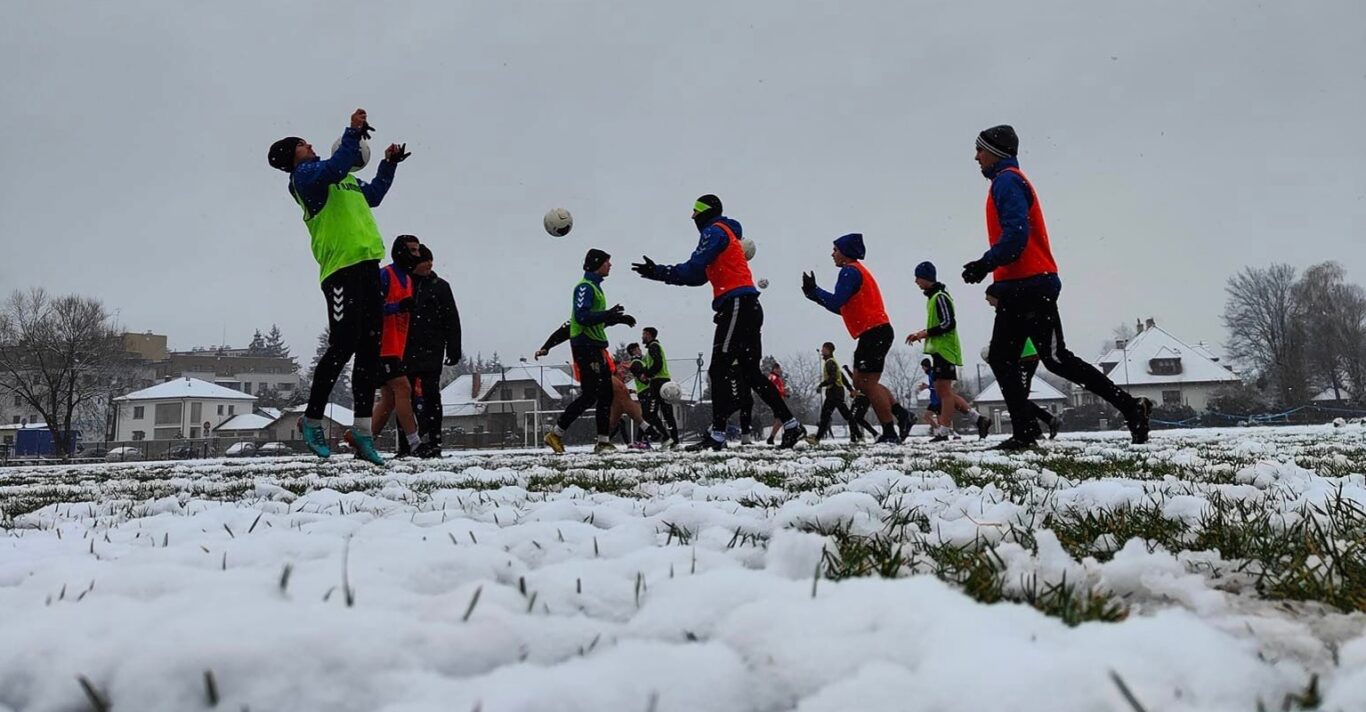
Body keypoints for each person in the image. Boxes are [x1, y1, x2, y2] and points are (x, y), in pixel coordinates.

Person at [961, 125, 1151, 449]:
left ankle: (1131, 409)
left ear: (997, 152)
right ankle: (1025, 430)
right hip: (1018, 286)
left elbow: (1017, 236)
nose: (975, 156)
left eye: (980, 149)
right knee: (1005, 358)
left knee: (1053, 358)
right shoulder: (1004, 182)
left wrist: (985, 264)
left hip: (1031, 285)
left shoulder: (1007, 181)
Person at [268, 107, 410, 464]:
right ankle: (312, 418)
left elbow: (374, 194)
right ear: (293, 156)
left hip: (366, 266)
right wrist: (353, 131)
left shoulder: (342, 178)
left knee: (369, 349)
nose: (310, 145)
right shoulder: (306, 177)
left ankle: (363, 431)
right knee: (343, 343)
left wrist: (388, 164)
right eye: (303, 143)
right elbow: (333, 166)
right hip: (340, 270)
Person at [631, 195, 804, 450]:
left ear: (704, 214)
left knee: (718, 370)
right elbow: (699, 276)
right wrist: (662, 273)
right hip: (748, 305)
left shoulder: (714, 232)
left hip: (735, 304)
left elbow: (693, 269)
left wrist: (659, 271)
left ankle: (718, 435)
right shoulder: (727, 234)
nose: (693, 220)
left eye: (695, 214)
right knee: (751, 373)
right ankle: (791, 425)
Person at [801, 233, 912, 444]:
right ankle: (902, 415)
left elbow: (836, 303)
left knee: (867, 385)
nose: (832, 254)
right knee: (863, 383)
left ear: (845, 252)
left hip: (874, 332)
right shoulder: (856, 271)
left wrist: (814, 292)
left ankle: (890, 431)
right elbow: (844, 309)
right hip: (877, 331)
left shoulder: (849, 271)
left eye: (835, 249)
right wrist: (815, 295)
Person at [543, 249, 636, 454]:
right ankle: (555, 434)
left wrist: (618, 318)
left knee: (605, 394)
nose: (610, 265)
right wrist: (607, 313)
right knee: (590, 395)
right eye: (607, 262)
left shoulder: (596, 288)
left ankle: (603, 442)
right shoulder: (585, 287)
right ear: (596, 264)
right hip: (585, 346)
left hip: (595, 346)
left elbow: (596, 320)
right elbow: (582, 317)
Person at [905, 261, 992, 441]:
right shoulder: (933, 297)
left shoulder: (940, 297)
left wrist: (925, 333)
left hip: (945, 350)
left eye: (918, 277)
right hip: (939, 350)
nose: (915, 281)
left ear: (926, 278)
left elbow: (948, 323)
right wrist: (922, 333)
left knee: (943, 392)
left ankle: (943, 432)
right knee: (943, 391)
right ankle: (979, 419)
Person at [399, 244, 462, 457]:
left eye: (431, 261)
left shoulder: (440, 286)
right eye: (425, 261)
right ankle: (406, 443)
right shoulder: (403, 284)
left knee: (432, 395)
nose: (429, 265)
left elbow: (451, 318)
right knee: (403, 396)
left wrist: (454, 348)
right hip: (405, 349)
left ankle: (435, 441)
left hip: (432, 350)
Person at [632, 329, 680, 446]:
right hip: (663, 382)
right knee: (666, 413)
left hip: (658, 382)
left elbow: (657, 364)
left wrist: (647, 374)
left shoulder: (653, 346)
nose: (642, 336)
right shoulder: (653, 348)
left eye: (643, 334)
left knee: (650, 413)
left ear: (648, 335)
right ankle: (673, 440)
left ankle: (665, 437)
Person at [809, 342, 857, 444]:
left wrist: (821, 385)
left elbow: (834, 378)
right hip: (835, 392)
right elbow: (842, 377)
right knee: (826, 416)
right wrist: (850, 389)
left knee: (843, 415)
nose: (821, 351)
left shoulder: (830, 363)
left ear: (828, 350)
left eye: (823, 349)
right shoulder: (833, 362)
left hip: (834, 392)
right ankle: (817, 439)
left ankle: (856, 437)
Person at [843, 364, 882, 442]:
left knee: (852, 418)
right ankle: (873, 434)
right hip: (861, 399)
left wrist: (859, 392)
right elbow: (853, 378)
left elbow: (866, 387)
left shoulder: (866, 378)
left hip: (863, 399)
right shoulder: (860, 377)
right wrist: (847, 370)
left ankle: (854, 438)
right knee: (858, 419)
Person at [765, 363, 788, 445]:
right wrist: (784, 393)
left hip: (777, 400)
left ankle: (772, 438)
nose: (778, 370)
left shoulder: (774, 377)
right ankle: (773, 438)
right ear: (773, 369)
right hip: (777, 401)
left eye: (779, 369)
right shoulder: (774, 378)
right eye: (777, 369)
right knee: (781, 420)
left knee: (780, 420)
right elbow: (775, 389)